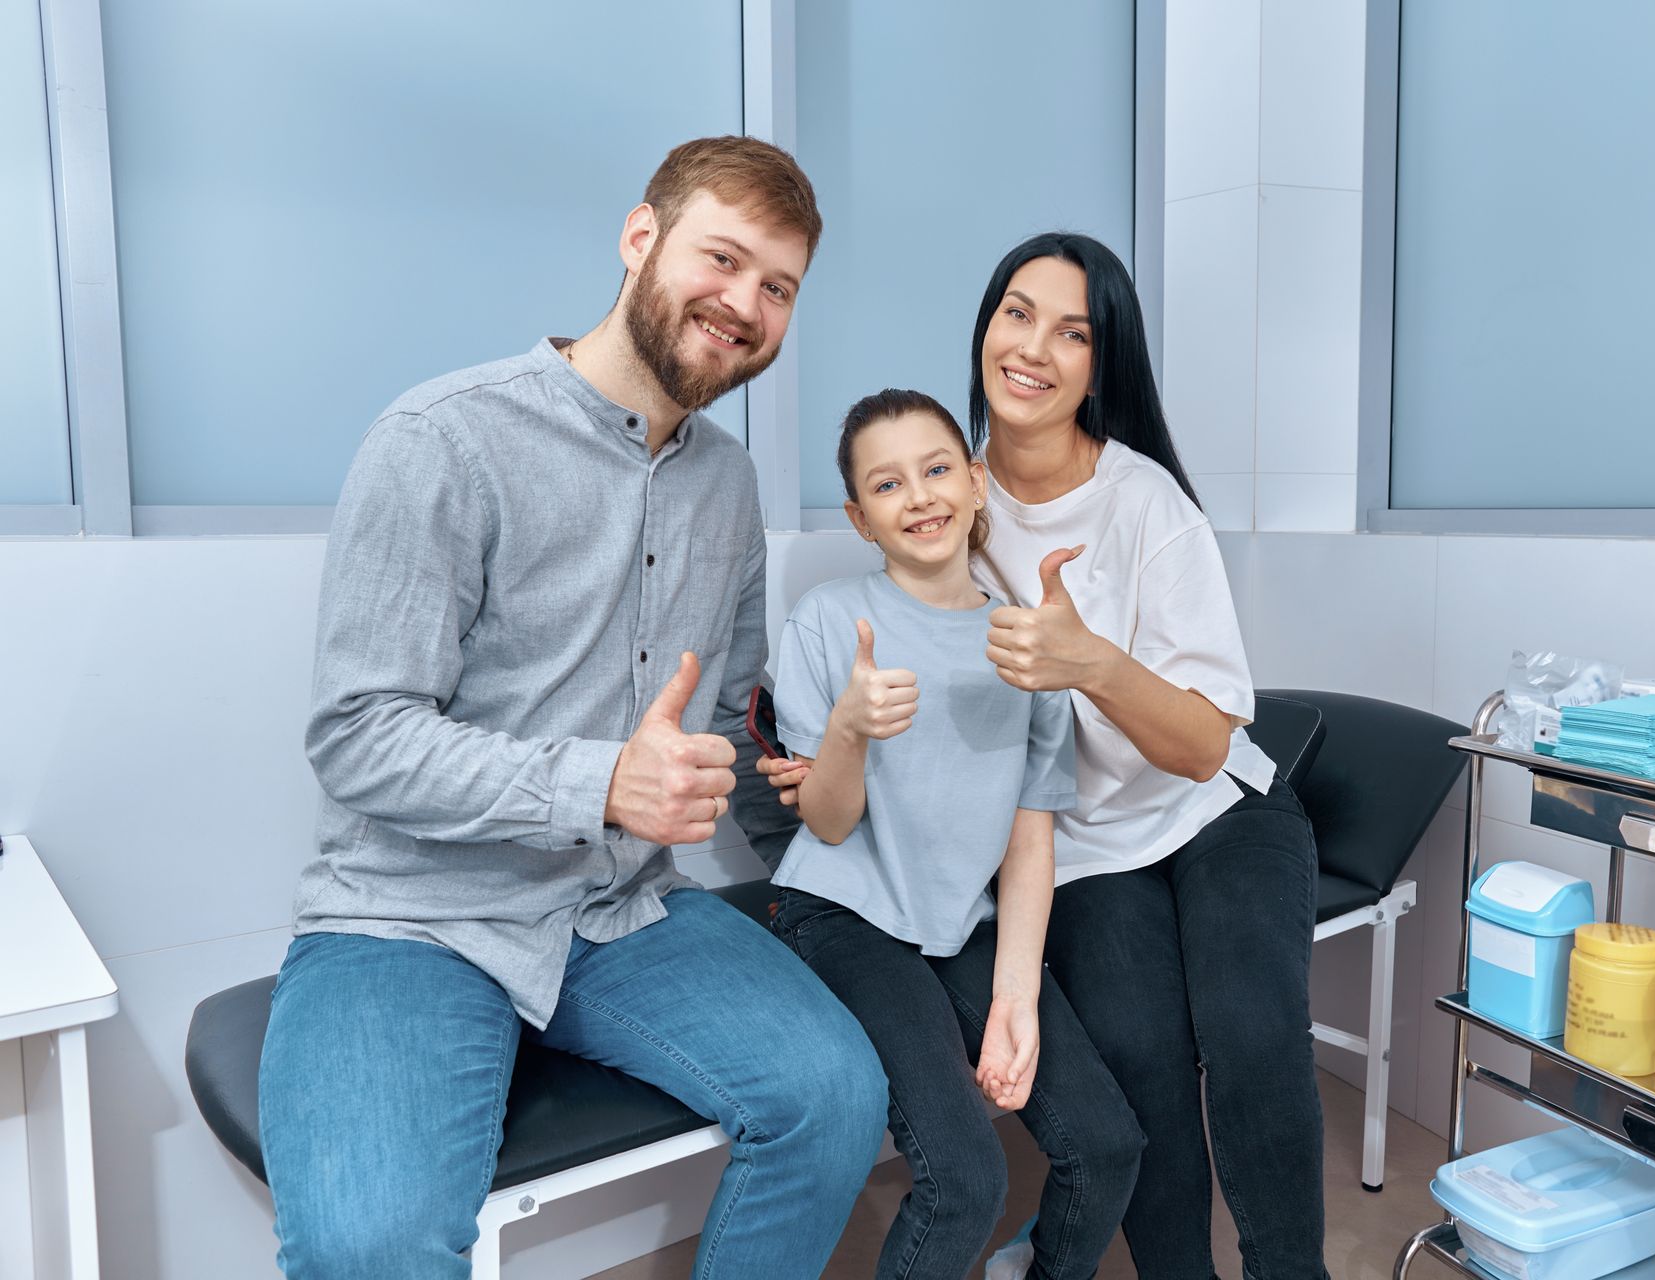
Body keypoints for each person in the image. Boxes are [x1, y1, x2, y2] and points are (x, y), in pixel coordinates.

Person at [258, 136, 888, 1280]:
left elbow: (734, 739)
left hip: (622, 910)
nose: (744, 303)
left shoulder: (729, 483)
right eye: (724, 257)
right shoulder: (442, 440)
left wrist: (830, 841)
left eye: (778, 286)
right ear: (640, 237)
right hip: (415, 914)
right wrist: (599, 781)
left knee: (836, 1095)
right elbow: (356, 735)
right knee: (371, 1248)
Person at [766, 231, 1326, 1279]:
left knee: (1250, 1026)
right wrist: (822, 751)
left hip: (1218, 813)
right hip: (1082, 843)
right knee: (1143, 1064)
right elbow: (905, 666)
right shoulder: (944, 496)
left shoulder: (1146, 502)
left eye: (1073, 331)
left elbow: (1209, 744)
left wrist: (1089, 662)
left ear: (1100, 363)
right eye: (1016, 312)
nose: (1034, 346)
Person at [764, 388, 1141, 1279]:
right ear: (861, 519)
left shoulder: (1028, 645)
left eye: (937, 470)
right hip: (844, 917)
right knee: (965, 1177)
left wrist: (1015, 1001)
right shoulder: (828, 621)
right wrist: (850, 728)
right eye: (888, 485)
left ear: (976, 485)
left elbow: (1029, 841)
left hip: (959, 925)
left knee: (1107, 1143)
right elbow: (826, 818)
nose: (921, 496)